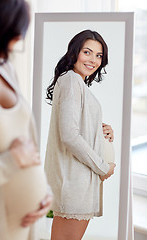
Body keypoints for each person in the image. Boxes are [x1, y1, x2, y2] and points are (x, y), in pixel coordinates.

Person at [0, 1, 52, 240]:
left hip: (26, 228)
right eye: (14, 31)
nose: (18, 39)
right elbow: (16, 155)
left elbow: (25, 140)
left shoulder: (5, 68)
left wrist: (44, 192)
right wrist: (10, 162)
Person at [45, 29, 116, 240]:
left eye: (98, 55)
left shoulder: (76, 83)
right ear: (74, 53)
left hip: (80, 182)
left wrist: (102, 130)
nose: (93, 60)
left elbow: (75, 127)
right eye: (87, 52)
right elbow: (69, 136)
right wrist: (103, 168)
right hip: (75, 183)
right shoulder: (71, 80)